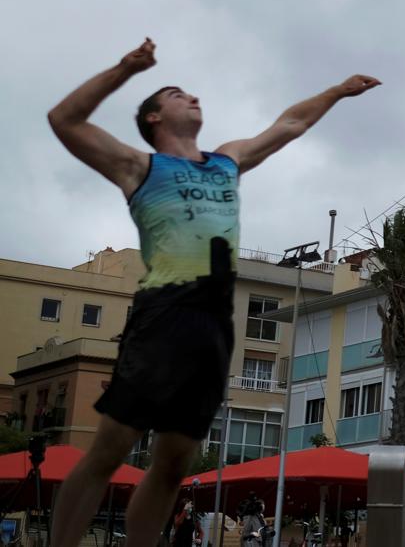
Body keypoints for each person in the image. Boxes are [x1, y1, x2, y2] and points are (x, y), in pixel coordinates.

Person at [46, 38, 381, 547]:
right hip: (165, 311)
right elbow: (64, 119)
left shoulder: (225, 161)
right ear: (155, 118)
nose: (193, 97)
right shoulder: (139, 166)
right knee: (111, 448)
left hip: (214, 326)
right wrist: (125, 68)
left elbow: (289, 125)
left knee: (175, 459)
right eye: (178, 95)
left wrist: (336, 91)